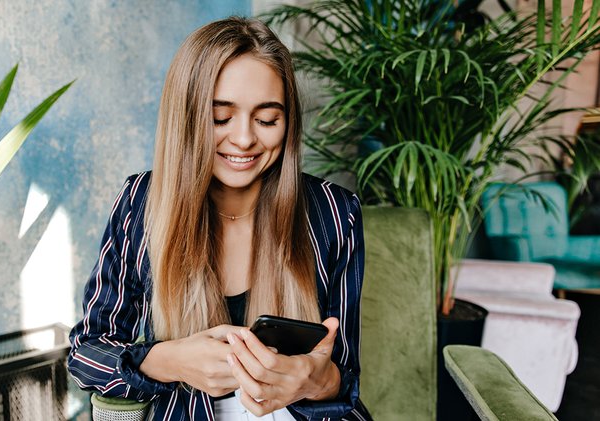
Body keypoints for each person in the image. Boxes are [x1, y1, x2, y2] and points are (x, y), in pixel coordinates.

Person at [68, 16, 372, 421]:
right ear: (187, 116)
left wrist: (315, 380)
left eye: (267, 120)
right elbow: (87, 352)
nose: (245, 139)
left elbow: (345, 380)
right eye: (220, 117)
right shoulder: (140, 203)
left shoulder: (335, 213)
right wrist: (169, 360)